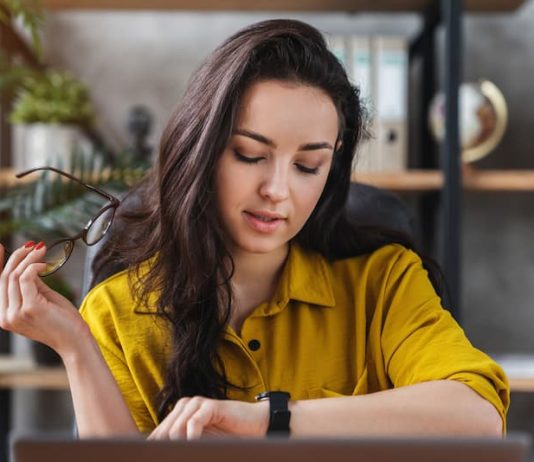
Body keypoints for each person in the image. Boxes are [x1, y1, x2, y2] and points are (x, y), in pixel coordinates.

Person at [0, 19, 508, 440]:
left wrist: (271, 420)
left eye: (308, 166)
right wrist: (73, 346)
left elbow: (478, 415)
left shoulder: (384, 282)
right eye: (251, 155)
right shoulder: (118, 310)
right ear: (201, 151)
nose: (277, 190)